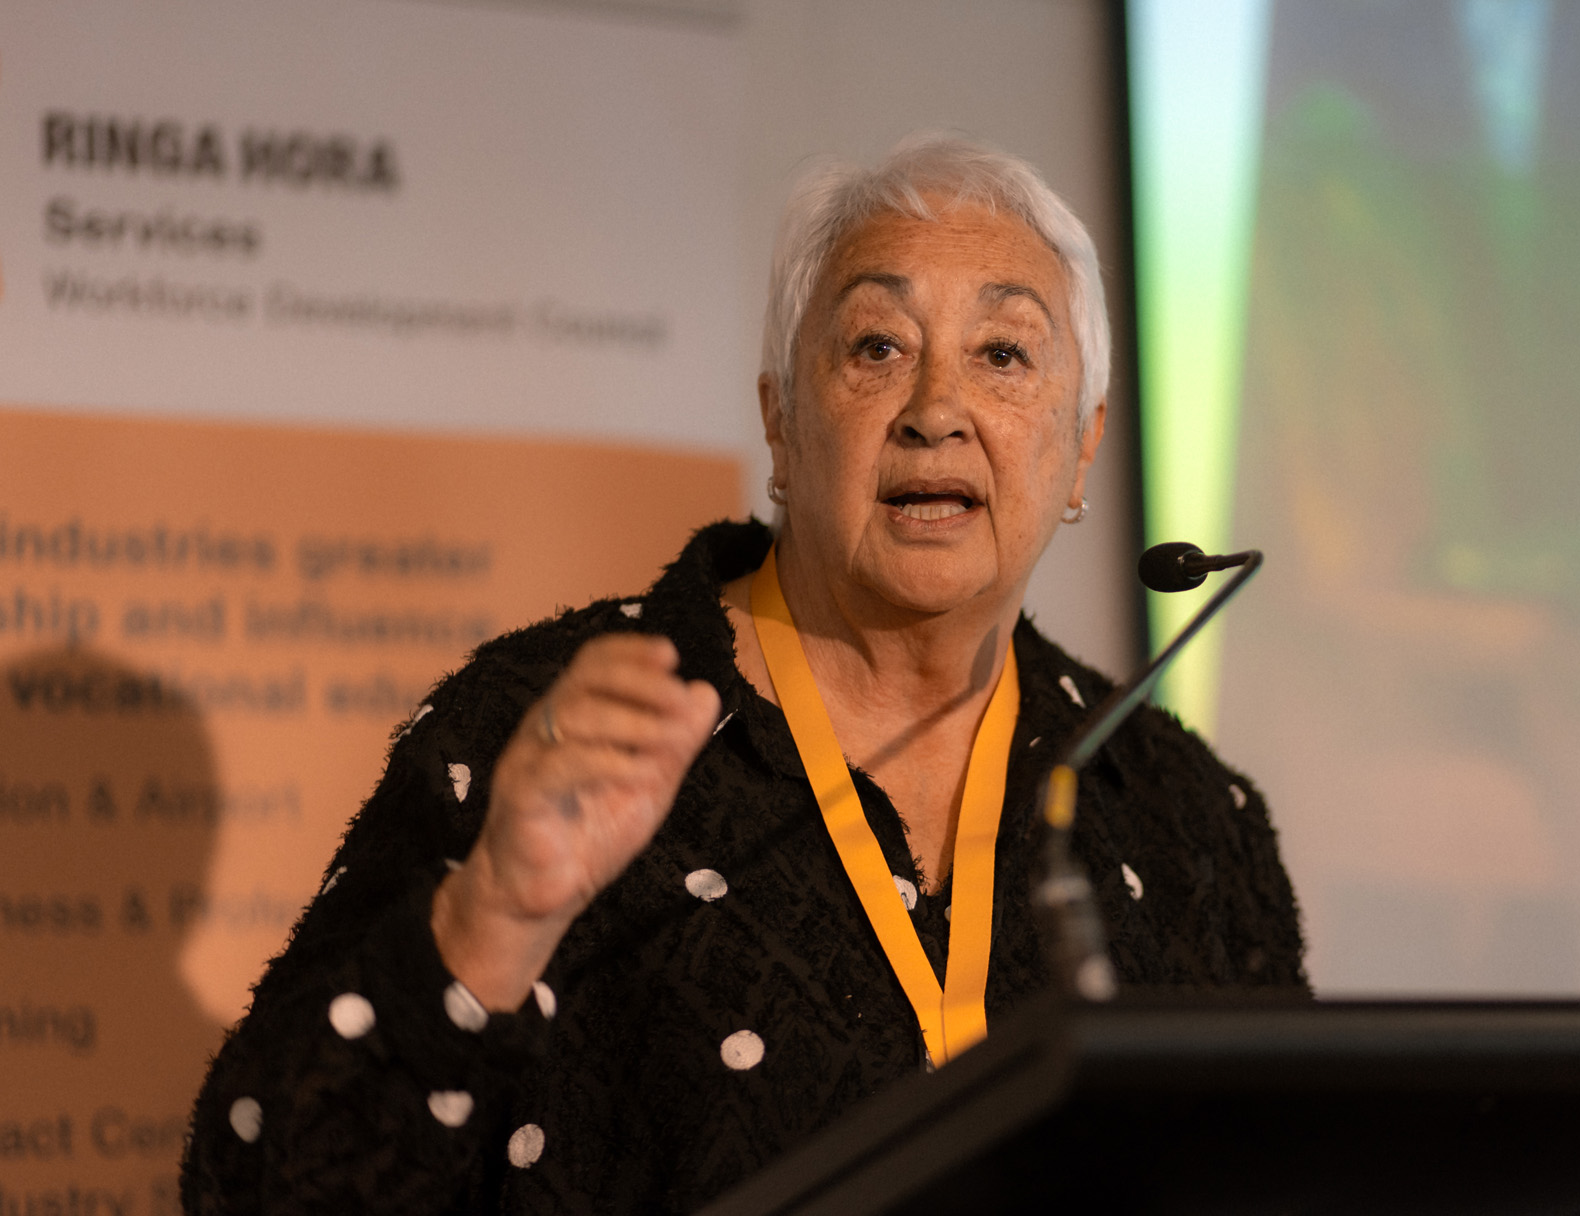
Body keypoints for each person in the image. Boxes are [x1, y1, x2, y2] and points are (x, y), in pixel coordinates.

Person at [180, 133, 1307, 1212]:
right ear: (780, 421)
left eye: (1003, 354)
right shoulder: (540, 729)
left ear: (1084, 442)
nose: (935, 412)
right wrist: (492, 918)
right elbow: (261, 1186)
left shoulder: (1184, 817)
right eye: (878, 348)